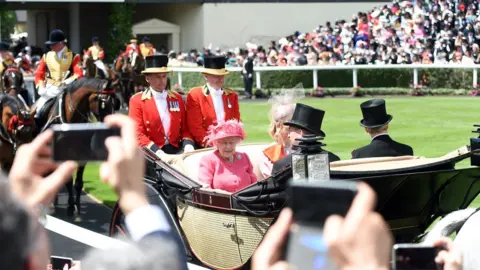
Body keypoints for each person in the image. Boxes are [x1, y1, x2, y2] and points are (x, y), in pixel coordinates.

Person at [129, 54, 195, 155]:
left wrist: (188, 144)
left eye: (164, 76)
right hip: (150, 152)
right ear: (147, 78)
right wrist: (156, 151)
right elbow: (137, 133)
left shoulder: (177, 98)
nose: (162, 80)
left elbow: (185, 129)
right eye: (157, 77)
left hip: (176, 149)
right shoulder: (137, 100)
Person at [186, 55, 240, 148]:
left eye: (222, 75)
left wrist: (229, 144)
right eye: (215, 75)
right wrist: (212, 145)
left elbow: (236, 122)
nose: (220, 78)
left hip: (228, 145)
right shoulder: (196, 94)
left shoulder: (232, 95)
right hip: (205, 147)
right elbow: (196, 127)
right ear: (206, 75)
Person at [271, 103, 340, 176]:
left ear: (300, 132)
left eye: (290, 130)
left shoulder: (282, 165)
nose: (288, 135)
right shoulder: (334, 160)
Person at [33, 29, 83, 119]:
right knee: (37, 112)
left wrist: (67, 82)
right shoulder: (46, 56)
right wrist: (41, 87)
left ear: (61, 43)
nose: (51, 46)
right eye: (50, 44)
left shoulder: (74, 56)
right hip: (49, 90)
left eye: (53, 44)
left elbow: (78, 74)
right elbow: (39, 74)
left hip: (68, 90)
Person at [198, 119, 257, 193]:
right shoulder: (208, 160)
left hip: (247, 201)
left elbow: (255, 184)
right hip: (222, 202)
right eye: (224, 143)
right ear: (217, 143)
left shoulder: (244, 157)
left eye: (231, 143)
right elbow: (205, 188)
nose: (228, 147)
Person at [259, 85, 305, 179]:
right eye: (289, 128)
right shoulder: (269, 154)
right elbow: (271, 183)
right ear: (279, 127)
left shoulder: (305, 149)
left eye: (297, 129)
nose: (296, 133)